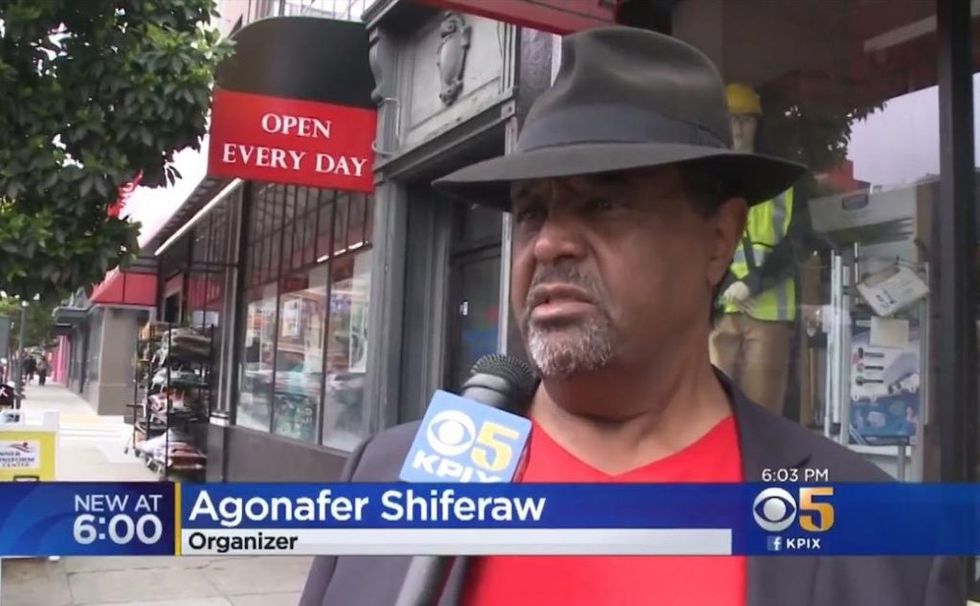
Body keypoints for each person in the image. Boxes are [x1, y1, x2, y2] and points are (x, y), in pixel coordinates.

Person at [299, 27, 962, 606]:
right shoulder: (386, 476)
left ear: (718, 240)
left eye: (604, 204)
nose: (548, 244)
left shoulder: (879, 538)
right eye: (531, 211)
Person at [708, 82, 812, 416]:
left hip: (769, 313)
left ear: (758, 124)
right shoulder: (708, 180)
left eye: (746, 120)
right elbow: (694, 243)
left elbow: (797, 244)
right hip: (719, 311)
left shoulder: (784, 182)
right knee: (712, 410)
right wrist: (727, 286)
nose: (739, 129)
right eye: (732, 120)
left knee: (762, 411)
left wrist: (752, 283)